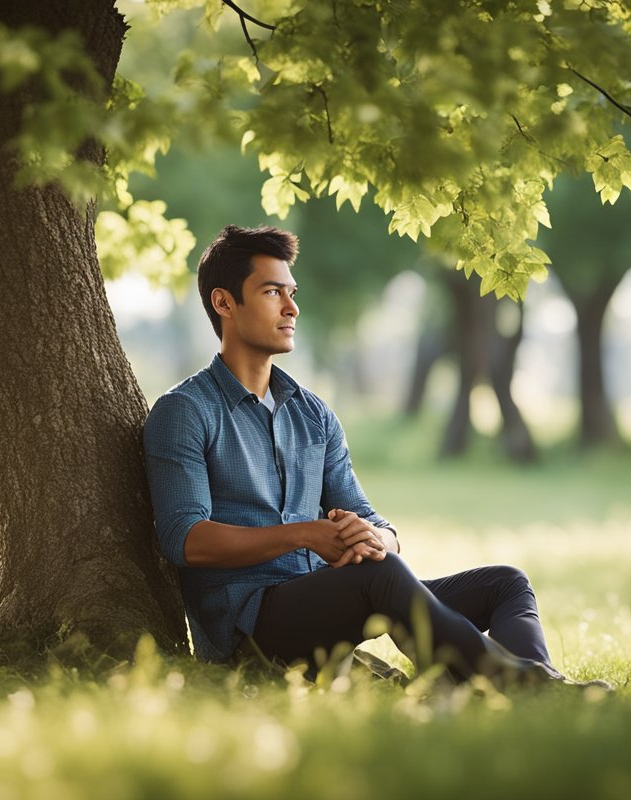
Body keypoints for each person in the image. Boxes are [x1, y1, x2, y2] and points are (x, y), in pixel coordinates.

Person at [143, 224, 600, 688]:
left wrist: (374, 537)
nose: (292, 307)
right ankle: (517, 683)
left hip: (337, 598)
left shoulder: (312, 414)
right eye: (272, 292)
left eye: (292, 292)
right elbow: (186, 539)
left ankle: (535, 684)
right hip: (251, 625)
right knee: (377, 576)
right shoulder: (185, 411)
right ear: (224, 303)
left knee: (505, 582)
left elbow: (372, 520)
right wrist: (305, 534)